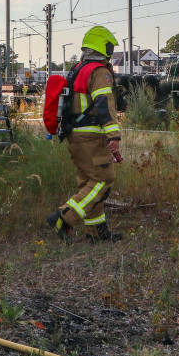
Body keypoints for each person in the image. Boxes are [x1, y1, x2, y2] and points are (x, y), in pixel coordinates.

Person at [46, 25, 123, 243]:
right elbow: (103, 105)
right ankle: (63, 217)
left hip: (75, 135)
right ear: (104, 46)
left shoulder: (78, 69)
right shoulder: (99, 72)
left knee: (88, 183)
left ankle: (96, 232)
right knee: (103, 179)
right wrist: (113, 136)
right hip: (91, 137)